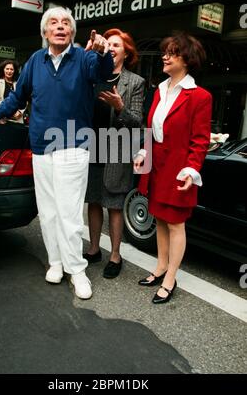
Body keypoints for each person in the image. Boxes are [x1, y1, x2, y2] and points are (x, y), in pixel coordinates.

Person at [0, 6, 114, 300]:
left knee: (69, 214)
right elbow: (18, 97)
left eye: (66, 23)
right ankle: (56, 262)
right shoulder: (34, 60)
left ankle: (76, 270)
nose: (60, 26)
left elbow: (104, 73)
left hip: (73, 146)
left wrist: (104, 51)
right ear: (45, 32)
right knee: (48, 211)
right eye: (53, 22)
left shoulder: (84, 57)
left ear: (71, 32)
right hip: (42, 147)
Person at [134, 32, 212, 304]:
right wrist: (144, 152)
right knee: (160, 218)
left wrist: (192, 170)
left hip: (179, 170)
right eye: (165, 51)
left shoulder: (200, 97)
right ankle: (160, 266)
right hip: (157, 166)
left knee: (176, 223)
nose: (165, 57)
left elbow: (200, 140)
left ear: (187, 60)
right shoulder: (160, 89)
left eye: (172, 52)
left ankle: (170, 278)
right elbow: (151, 127)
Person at [84, 28, 145, 279]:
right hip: (92, 146)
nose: (110, 47)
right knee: (94, 200)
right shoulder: (94, 75)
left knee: (115, 205)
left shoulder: (135, 82)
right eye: (108, 44)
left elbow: (137, 122)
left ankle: (115, 255)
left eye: (116, 45)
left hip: (117, 149)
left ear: (126, 52)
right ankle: (95, 248)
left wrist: (120, 107)